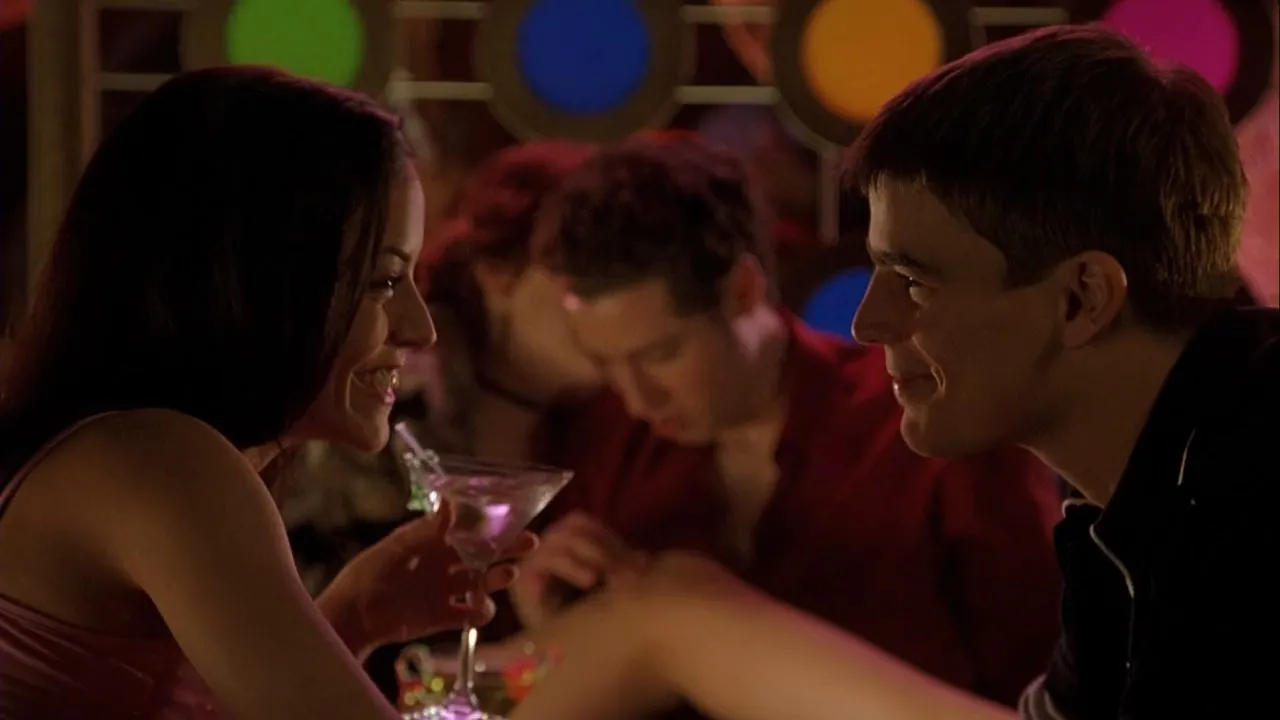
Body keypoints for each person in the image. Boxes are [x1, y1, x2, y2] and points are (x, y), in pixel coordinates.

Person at [509, 23, 1279, 720]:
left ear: (1082, 298)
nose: (865, 322)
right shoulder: (1120, 520)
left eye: (912, 280)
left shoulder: (1246, 495)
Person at [0, 66, 534, 719]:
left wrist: (349, 619)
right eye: (384, 282)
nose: (421, 329)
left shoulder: (139, 455)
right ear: (255, 282)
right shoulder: (160, 462)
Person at [510, 133, 1064, 712]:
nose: (636, 398)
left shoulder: (933, 421)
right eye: (607, 363)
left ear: (743, 290)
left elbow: (1041, 674)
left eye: (660, 354)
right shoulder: (604, 442)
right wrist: (558, 622)